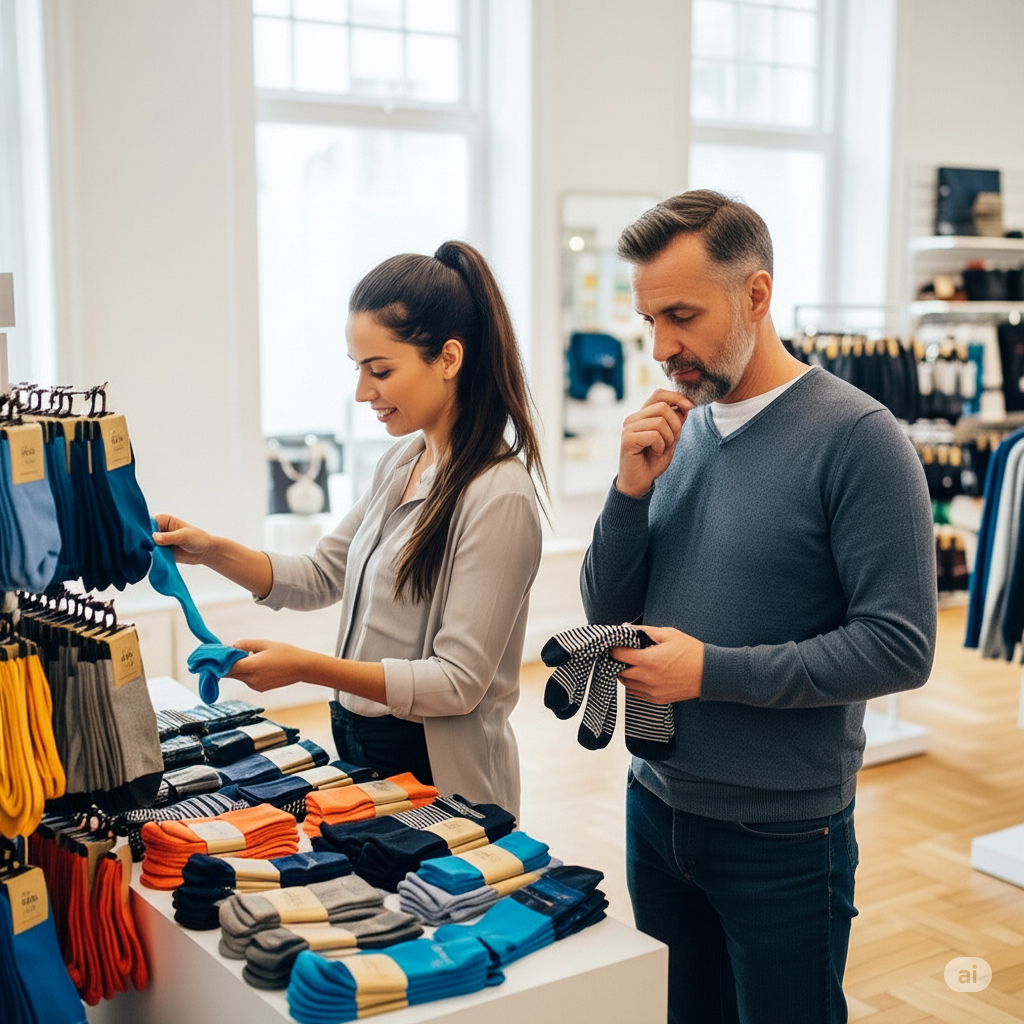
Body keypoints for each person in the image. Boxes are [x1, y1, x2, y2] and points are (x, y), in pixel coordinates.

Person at [580, 191, 936, 1024]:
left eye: (682, 316)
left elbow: (899, 647)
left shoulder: (860, 439)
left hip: (782, 834)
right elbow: (607, 607)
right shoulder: (681, 427)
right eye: (649, 321)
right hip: (654, 804)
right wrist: (630, 493)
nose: (663, 347)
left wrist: (709, 671)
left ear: (756, 295)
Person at [154, 240, 544, 819]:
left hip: (441, 768)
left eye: (380, 370)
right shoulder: (402, 463)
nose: (363, 392)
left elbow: (457, 682)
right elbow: (319, 575)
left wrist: (305, 668)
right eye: (358, 369)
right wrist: (211, 551)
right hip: (362, 744)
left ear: (449, 358)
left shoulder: (498, 497)